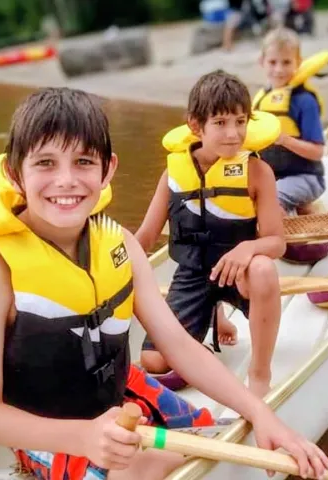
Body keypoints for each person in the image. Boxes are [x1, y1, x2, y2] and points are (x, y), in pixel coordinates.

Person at [0, 87, 328, 480]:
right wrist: (85, 437)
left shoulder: (120, 244)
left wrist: (260, 412)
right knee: (143, 469)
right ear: (14, 172)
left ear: (107, 169)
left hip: (122, 393)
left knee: (224, 434)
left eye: (83, 162)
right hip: (48, 431)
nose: (66, 181)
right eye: (45, 162)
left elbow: (177, 344)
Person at [136, 69, 287, 401]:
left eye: (240, 121)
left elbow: (277, 241)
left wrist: (247, 249)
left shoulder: (257, 171)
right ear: (195, 125)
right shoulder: (173, 173)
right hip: (193, 273)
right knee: (154, 361)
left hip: (240, 275)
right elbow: (145, 237)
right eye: (220, 123)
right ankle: (211, 316)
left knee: (263, 269)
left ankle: (260, 373)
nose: (233, 134)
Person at [252, 27, 325, 215]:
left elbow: (317, 152)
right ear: (262, 62)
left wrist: (284, 140)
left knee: (271, 200)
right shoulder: (261, 98)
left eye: (286, 62)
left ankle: (295, 241)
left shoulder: (304, 101)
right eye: (273, 62)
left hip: (306, 177)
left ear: (298, 62)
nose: (279, 69)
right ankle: (307, 211)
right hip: (272, 178)